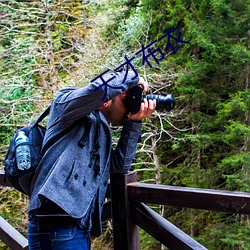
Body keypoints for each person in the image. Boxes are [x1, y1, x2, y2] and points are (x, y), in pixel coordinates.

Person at [27, 71, 156, 250]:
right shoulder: (65, 101)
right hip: (58, 224)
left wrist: (134, 123)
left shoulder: (102, 130)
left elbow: (118, 167)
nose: (128, 107)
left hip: (74, 226)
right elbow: (96, 91)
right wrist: (133, 79)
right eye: (125, 99)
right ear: (108, 97)